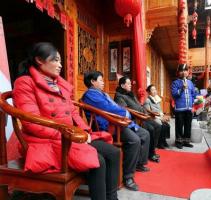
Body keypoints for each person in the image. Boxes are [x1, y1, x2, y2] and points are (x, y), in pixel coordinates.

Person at [13, 42, 120, 200]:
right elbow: (32, 123)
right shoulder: (24, 82)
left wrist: (84, 132)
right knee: (98, 161)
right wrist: (72, 136)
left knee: (113, 152)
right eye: (55, 60)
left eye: (61, 61)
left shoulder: (58, 84)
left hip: (69, 136)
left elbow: (73, 113)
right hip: (44, 140)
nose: (60, 65)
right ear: (39, 60)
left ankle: (112, 198)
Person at [82, 71, 151, 191]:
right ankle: (128, 176)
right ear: (92, 82)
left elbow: (114, 107)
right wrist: (125, 113)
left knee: (144, 133)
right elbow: (108, 108)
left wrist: (124, 114)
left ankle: (138, 163)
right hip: (109, 125)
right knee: (134, 140)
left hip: (117, 121)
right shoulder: (90, 94)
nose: (103, 82)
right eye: (101, 80)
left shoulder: (101, 93)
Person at [114, 76, 161, 163]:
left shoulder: (131, 94)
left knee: (158, 126)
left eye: (130, 83)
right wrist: (139, 114)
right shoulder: (119, 95)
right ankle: (148, 155)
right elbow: (124, 110)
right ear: (122, 85)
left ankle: (151, 151)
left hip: (142, 116)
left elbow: (139, 105)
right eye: (128, 83)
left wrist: (145, 112)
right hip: (135, 119)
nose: (130, 85)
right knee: (150, 129)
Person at [171, 64, 196, 149]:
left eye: (185, 70)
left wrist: (192, 105)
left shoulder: (190, 82)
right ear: (178, 72)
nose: (184, 72)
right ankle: (178, 141)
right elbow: (174, 94)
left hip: (189, 108)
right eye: (181, 70)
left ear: (188, 72)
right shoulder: (175, 82)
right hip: (179, 109)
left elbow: (193, 95)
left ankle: (186, 141)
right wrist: (182, 88)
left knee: (188, 125)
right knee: (179, 125)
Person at [144, 84, 170, 149]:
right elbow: (148, 112)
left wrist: (164, 116)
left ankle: (163, 140)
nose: (154, 91)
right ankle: (159, 143)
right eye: (152, 90)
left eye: (155, 89)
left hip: (159, 116)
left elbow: (160, 110)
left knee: (167, 125)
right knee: (162, 125)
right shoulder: (147, 100)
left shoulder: (157, 99)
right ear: (149, 92)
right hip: (153, 117)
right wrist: (160, 118)